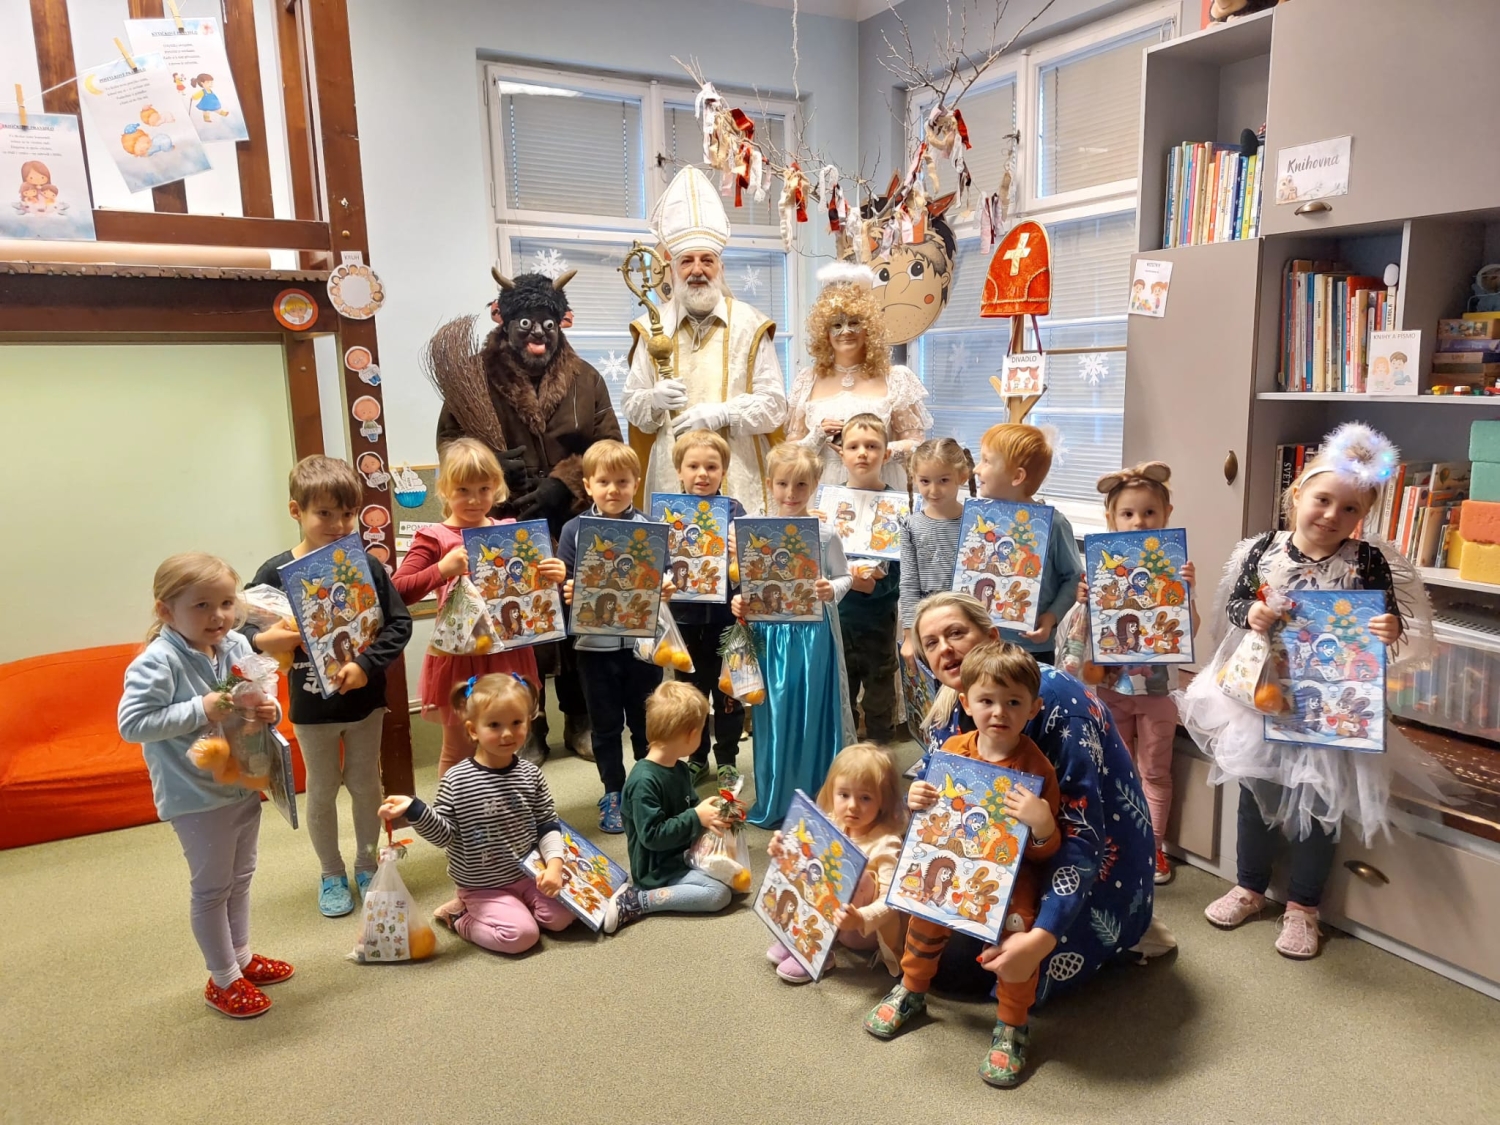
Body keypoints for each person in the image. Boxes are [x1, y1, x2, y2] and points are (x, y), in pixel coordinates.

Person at [1177, 423, 1432, 960]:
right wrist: (1252, 613)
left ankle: (1303, 907)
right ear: (1297, 495)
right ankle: (1249, 886)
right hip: (1263, 695)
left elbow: (1386, 619)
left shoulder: (1366, 560)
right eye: (1323, 500)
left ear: (1362, 515)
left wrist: (1386, 627)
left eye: (1349, 509)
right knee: (1255, 795)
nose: (1332, 516)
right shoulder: (1263, 550)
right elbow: (1234, 604)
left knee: (1322, 806)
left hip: (1332, 704)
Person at [909, 591, 1159, 1003]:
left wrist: (1043, 936)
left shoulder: (1060, 703)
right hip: (1001, 854)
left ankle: (1127, 931)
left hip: (1086, 861)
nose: (945, 650)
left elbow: (1084, 834)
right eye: (931, 643)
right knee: (918, 935)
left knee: (970, 973)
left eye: (956, 633)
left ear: (991, 637)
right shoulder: (954, 703)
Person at [426, 268, 620, 760]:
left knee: (575, 622)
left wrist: (565, 482)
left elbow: (609, 446)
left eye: (547, 325)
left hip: (569, 523)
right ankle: (526, 723)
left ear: (561, 325)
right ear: (505, 322)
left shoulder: (586, 379)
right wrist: (489, 463)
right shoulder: (472, 378)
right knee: (513, 628)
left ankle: (580, 719)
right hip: (500, 522)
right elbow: (450, 444)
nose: (538, 335)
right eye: (526, 325)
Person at [866, 642, 1060, 1088]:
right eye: (987, 700)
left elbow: (1045, 853)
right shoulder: (953, 749)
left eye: (1014, 702)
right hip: (950, 861)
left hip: (1010, 879)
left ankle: (1012, 1024)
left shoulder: (1037, 769)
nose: (999, 712)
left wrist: (1043, 823)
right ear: (966, 703)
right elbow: (929, 816)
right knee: (925, 914)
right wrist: (916, 798)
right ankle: (912, 989)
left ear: (1034, 708)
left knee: (1017, 932)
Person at [117, 554, 293, 1019]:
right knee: (212, 888)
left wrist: (269, 708)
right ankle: (223, 978)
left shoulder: (234, 644)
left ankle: (242, 957)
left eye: (226, 603)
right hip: (195, 796)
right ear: (166, 611)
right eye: (201, 606)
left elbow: (256, 691)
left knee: (241, 876)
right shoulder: (158, 661)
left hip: (242, 782)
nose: (218, 616)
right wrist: (201, 708)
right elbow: (132, 724)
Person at [242, 456, 413, 918]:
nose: (338, 525)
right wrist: (264, 638)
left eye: (347, 514)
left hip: (365, 703)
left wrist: (366, 665)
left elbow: (398, 625)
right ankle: (331, 872)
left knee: (365, 784)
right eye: (324, 513)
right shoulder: (275, 573)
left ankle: (366, 864)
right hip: (312, 707)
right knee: (320, 790)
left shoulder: (366, 566)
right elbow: (239, 627)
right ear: (295, 511)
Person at [622, 166, 787, 514]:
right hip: (672, 476)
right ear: (673, 270)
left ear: (720, 268)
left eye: (707, 260)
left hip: (738, 473)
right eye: (687, 261)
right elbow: (633, 407)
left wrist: (722, 413)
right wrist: (653, 400)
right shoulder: (651, 327)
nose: (697, 270)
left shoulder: (750, 324)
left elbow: (774, 406)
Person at [391, 439, 560, 776]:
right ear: (444, 489)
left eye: (484, 489)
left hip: (508, 654)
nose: (474, 499)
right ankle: (454, 809)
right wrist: (442, 570)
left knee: (508, 743)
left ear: (497, 488)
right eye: (463, 490)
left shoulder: (511, 532)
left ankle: (503, 805)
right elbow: (397, 590)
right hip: (461, 658)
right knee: (458, 749)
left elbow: (534, 590)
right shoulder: (434, 537)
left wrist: (555, 573)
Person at [378, 674, 575, 954]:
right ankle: (460, 916)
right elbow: (444, 836)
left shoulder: (530, 774)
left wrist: (554, 866)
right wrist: (415, 810)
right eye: (494, 725)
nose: (507, 734)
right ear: (473, 730)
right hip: (483, 886)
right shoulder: (457, 780)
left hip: (529, 874)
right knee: (522, 936)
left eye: (516, 723)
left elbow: (547, 823)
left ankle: (514, 908)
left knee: (562, 919)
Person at [1069, 461, 1198, 886]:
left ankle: (1152, 847)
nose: (1138, 521)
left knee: (1155, 771)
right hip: (1110, 686)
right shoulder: (1099, 568)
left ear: (1166, 515)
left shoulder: (1175, 568)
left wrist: (1186, 594)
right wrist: (1084, 599)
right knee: (1117, 767)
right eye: (1128, 513)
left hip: (1158, 690)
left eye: (1149, 512)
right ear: (1111, 517)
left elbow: (1191, 630)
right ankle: (1121, 840)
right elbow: (1081, 632)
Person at [731, 443, 856, 827]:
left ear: (815, 484)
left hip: (813, 636)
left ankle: (818, 795)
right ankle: (776, 797)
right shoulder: (751, 532)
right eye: (783, 483)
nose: (791, 493)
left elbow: (845, 576)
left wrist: (831, 589)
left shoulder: (825, 534)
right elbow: (742, 582)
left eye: (801, 484)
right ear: (770, 483)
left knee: (813, 710)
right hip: (769, 637)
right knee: (773, 714)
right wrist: (739, 602)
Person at [559, 440, 669, 833]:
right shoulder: (575, 530)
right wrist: (568, 591)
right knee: (604, 726)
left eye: (622, 481)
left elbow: (665, 573)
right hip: (594, 649)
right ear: (588, 485)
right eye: (603, 481)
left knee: (646, 723)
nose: (613, 490)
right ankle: (613, 792)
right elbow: (565, 582)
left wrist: (666, 586)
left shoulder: (651, 528)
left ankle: (646, 788)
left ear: (636, 483)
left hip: (643, 648)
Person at [765, 743, 909, 983]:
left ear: (883, 802)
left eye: (865, 798)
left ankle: (819, 950)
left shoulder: (885, 842)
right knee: (811, 857)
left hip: (863, 929)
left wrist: (861, 918)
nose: (852, 806)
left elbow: (891, 899)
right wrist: (782, 849)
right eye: (844, 795)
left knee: (856, 873)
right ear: (831, 792)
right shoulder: (832, 822)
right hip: (834, 917)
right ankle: (801, 935)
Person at [784, 263, 932, 489]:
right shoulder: (807, 381)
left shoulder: (896, 378)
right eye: (836, 325)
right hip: (823, 487)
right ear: (824, 333)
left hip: (880, 485)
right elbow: (790, 454)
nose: (846, 331)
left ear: (868, 328)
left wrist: (879, 452)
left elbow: (917, 445)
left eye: (854, 323)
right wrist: (817, 436)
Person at [604, 682, 734, 932]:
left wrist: (716, 814)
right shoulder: (643, 782)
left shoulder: (680, 769)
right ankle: (638, 900)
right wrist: (696, 817)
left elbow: (692, 807)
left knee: (731, 879)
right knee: (718, 894)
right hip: (657, 871)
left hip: (683, 856)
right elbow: (652, 836)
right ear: (690, 735)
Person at [666, 429, 746, 783]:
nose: (702, 474)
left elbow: (752, 565)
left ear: (723, 471)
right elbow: (657, 564)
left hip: (726, 620)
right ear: (679, 471)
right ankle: (696, 757)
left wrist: (740, 549)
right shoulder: (667, 513)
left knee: (728, 691)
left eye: (711, 467)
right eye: (693, 466)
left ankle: (727, 758)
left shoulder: (735, 511)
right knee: (691, 694)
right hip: (685, 620)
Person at [974, 423, 1083, 663]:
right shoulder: (979, 520)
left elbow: (1074, 577)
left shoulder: (1053, 524)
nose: (976, 469)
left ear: (1017, 476)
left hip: (1031, 647)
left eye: (986, 461)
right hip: (981, 642)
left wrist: (1051, 617)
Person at [834, 413, 903, 743]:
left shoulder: (897, 506)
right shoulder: (828, 504)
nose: (862, 453)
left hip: (878, 618)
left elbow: (901, 569)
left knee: (879, 695)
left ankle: (881, 755)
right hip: (839, 615)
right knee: (841, 692)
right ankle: (846, 758)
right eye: (854, 446)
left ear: (886, 454)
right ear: (841, 453)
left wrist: (875, 585)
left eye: (872, 446)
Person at [898, 437, 974, 668]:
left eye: (943, 480)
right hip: (929, 624)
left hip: (968, 622)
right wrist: (909, 636)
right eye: (925, 481)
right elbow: (909, 583)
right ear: (914, 478)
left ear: (962, 477)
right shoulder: (910, 525)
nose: (933, 490)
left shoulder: (978, 524)